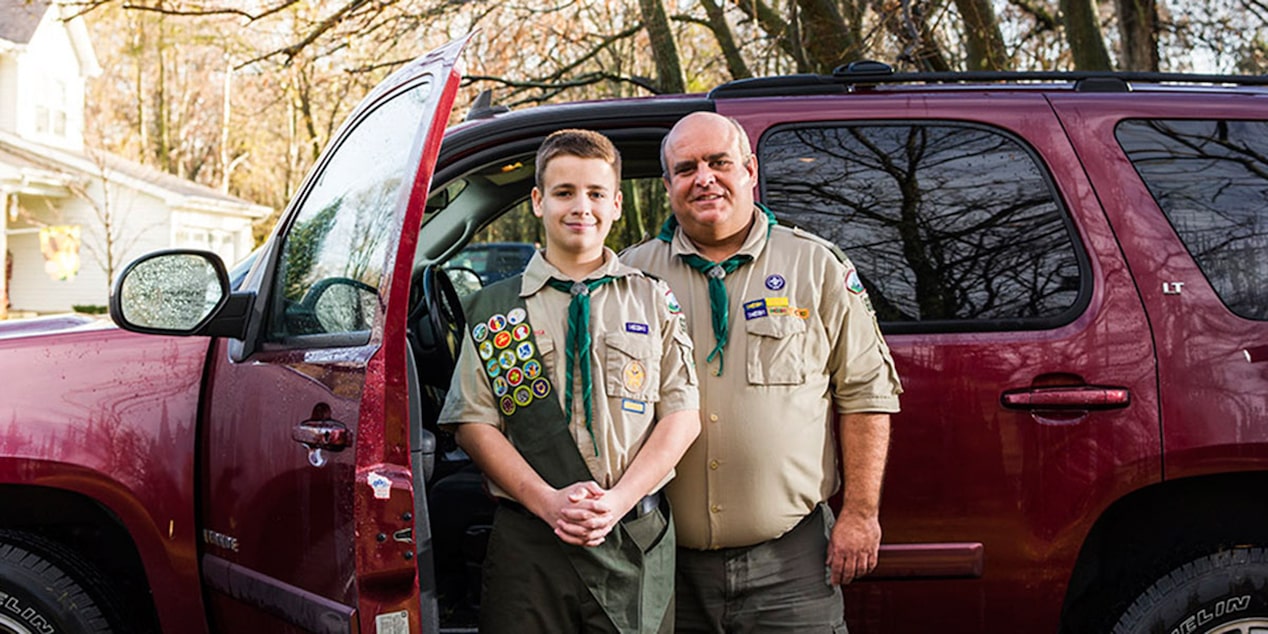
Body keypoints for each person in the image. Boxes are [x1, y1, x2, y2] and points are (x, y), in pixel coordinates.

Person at [621, 112, 903, 633]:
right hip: (664, 564)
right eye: (686, 168)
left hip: (792, 564)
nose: (704, 177)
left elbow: (865, 394)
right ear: (667, 186)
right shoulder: (630, 278)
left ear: (750, 170)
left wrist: (861, 514)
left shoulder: (815, 266)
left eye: (719, 162)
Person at [438, 128, 701, 633]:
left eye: (596, 193)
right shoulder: (497, 308)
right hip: (530, 543)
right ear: (538, 201)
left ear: (617, 204)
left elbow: (682, 416)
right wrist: (548, 502)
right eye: (563, 192)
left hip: (631, 534)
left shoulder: (652, 300)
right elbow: (473, 422)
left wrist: (618, 501)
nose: (581, 207)